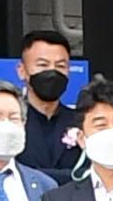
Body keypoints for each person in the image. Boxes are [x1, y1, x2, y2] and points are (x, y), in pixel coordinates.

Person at [15, 29, 82, 176]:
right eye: (43, 65)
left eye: (60, 66)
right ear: (22, 71)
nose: (52, 72)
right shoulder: (10, 122)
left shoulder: (81, 121)